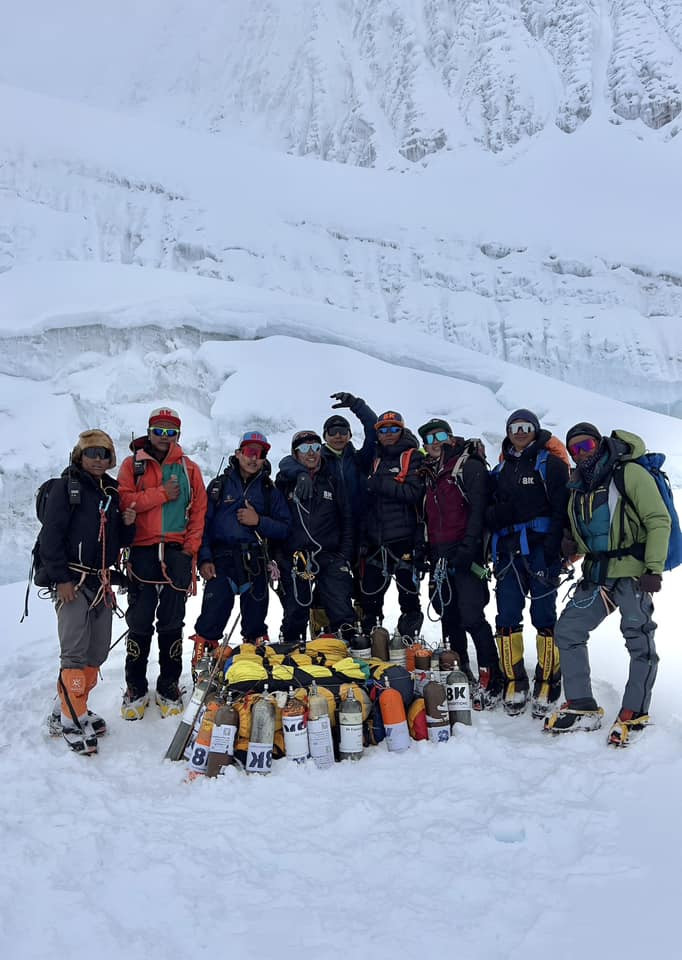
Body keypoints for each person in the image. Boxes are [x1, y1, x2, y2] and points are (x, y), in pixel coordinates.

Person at [545, 424, 671, 744]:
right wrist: (573, 548)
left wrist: (653, 568)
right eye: (575, 449)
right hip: (597, 575)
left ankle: (634, 711)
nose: (581, 452)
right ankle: (582, 704)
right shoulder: (579, 485)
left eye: (586, 444)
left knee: (638, 640)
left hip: (632, 574)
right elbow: (591, 530)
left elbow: (658, 520)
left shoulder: (628, 474)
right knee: (568, 631)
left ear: (599, 444)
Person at [41, 430, 136, 754]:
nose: (98, 458)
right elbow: (51, 536)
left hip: (101, 582)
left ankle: (65, 708)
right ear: (79, 456)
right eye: (91, 452)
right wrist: (61, 579)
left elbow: (119, 540)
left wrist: (128, 522)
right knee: (74, 653)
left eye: (104, 453)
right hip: (74, 582)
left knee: (96, 652)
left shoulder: (109, 490)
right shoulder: (66, 489)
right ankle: (71, 720)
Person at [118, 407, 207, 719]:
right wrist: (160, 494)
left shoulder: (189, 469)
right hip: (142, 550)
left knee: (172, 622)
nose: (164, 437)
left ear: (178, 434)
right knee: (139, 622)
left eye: (171, 431)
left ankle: (168, 683)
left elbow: (198, 512)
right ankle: (135, 685)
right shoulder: (133, 465)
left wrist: (189, 549)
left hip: (175, 550)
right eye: (159, 430)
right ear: (149, 431)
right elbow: (124, 501)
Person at [487, 409, 569, 717]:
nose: (520, 432)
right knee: (507, 614)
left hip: (540, 548)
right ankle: (514, 679)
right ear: (508, 431)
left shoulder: (551, 465)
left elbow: (562, 507)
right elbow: (491, 506)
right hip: (508, 550)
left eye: (526, 426)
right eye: (514, 427)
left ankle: (548, 678)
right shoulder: (502, 466)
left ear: (535, 429)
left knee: (544, 614)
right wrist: (495, 517)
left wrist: (554, 546)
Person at [419, 419, 504, 707]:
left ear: (451, 437)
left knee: (471, 616)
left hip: (467, 554)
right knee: (449, 616)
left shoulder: (467, 466)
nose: (435, 441)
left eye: (440, 435)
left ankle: (492, 677)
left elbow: (478, 509)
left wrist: (469, 548)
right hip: (440, 555)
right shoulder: (430, 472)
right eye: (429, 437)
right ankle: (460, 672)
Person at [190, 431, 290, 660]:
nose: (254, 458)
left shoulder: (269, 490)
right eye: (249, 452)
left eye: (260, 453)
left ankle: (253, 663)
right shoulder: (218, 486)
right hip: (221, 559)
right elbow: (202, 524)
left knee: (255, 620)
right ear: (238, 453)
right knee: (212, 616)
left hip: (255, 560)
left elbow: (285, 528)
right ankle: (203, 662)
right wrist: (204, 559)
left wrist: (259, 521)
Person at [275, 430, 356, 645]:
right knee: (295, 612)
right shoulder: (284, 482)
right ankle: (292, 656)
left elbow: (347, 518)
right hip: (296, 556)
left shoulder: (332, 479)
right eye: (304, 448)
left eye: (315, 447)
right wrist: (279, 557)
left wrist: (344, 555)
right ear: (295, 453)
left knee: (342, 610)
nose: (311, 453)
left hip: (329, 554)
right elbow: (275, 520)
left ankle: (349, 655)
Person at [360, 411, 425, 638]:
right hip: (376, 541)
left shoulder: (412, 457)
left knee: (408, 598)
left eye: (393, 428)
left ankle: (408, 644)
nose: (388, 434)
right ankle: (372, 645)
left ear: (402, 430)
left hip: (404, 540)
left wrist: (379, 484)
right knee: (370, 597)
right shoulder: (374, 458)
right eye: (383, 430)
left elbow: (414, 492)